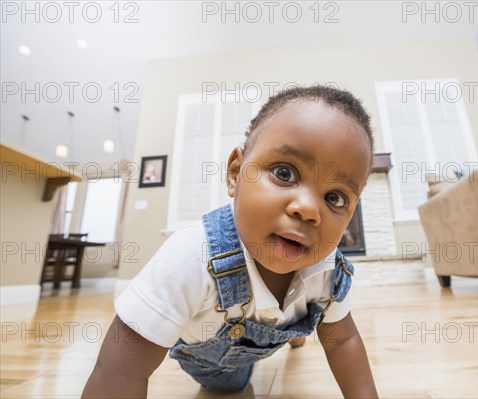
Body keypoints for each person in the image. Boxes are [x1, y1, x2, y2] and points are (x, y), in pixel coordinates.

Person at [82, 85, 379, 398]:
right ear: (236, 173)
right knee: (233, 385)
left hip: (269, 335)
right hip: (213, 363)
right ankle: (284, 338)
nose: (308, 209)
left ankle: (293, 334)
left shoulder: (327, 270)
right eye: (284, 173)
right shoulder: (192, 255)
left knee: (306, 316)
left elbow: (343, 341)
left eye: (334, 197)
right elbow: (121, 371)